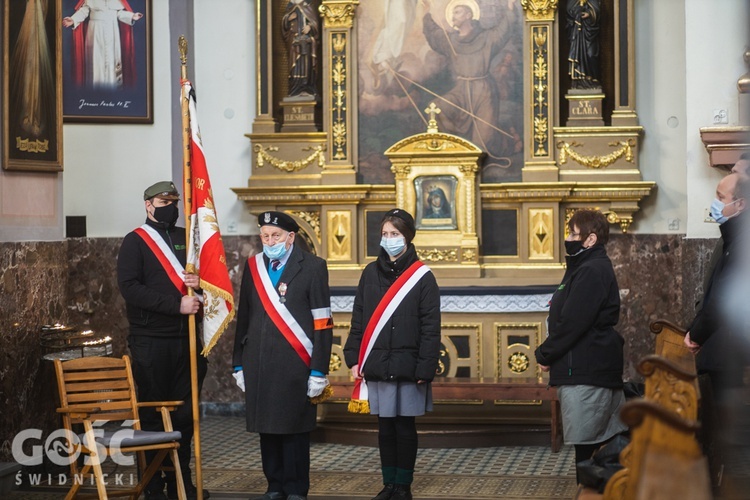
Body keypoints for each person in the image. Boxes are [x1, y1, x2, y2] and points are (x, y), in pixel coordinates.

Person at [117, 181, 209, 500]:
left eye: (174, 201)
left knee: (185, 415)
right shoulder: (135, 242)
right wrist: (175, 305)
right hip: (150, 342)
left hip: (186, 341)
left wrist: (199, 286)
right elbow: (129, 287)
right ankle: (154, 484)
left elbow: (206, 286)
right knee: (154, 414)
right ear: (148, 204)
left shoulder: (186, 239)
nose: (170, 206)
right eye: (162, 200)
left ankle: (181, 482)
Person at [232, 211, 333, 500]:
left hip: (296, 364)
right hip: (260, 363)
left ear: (290, 237)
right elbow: (245, 317)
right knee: (268, 429)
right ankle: (274, 484)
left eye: (275, 236)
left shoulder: (313, 267)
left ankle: (296, 487)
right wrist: (238, 362)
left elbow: (323, 322)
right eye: (264, 236)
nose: (269, 241)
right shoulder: (254, 267)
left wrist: (318, 370)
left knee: (294, 429)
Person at [344, 209, 441, 500]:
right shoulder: (370, 273)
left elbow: (430, 326)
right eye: (385, 234)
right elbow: (358, 318)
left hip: (409, 366)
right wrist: (353, 357)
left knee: (404, 425)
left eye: (395, 234)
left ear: (407, 237)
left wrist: (426, 368)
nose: (389, 240)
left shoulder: (423, 277)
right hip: (377, 362)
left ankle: (404, 486)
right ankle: (389, 484)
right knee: (385, 427)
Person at [534, 209, 626, 483]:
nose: (568, 238)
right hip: (584, 367)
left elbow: (573, 323)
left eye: (574, 233)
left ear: (590, 239)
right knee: (588, 447)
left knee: (588, 449)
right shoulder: (583, 267)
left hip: (587, 369)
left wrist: (545, 352)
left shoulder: (591, 270)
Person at [421, 0, 514, 169]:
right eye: (453, 13)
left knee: (483, 144)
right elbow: (435, 35)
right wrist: (427, 13)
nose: (452, 16)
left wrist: (509, 7)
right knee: (436, 108)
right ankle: (452, 152)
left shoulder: (486, 38)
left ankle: (507, 141)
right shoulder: (451, 40)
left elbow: (503, 31)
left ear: (469, 15)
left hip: (484, 91)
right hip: (461, 91)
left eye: (457, 12)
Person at [63, 0, 144, 90]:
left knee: (112, 61)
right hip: (95, 31)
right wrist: (73, 19)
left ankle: (112, 91)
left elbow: (119, 13)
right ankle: (94, 92)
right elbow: (83, 11)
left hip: (112, 30)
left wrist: (132, 16)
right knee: (96, 60)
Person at [281, 0, 320, 98]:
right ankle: (295, 88)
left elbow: (315, 22)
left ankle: (307, 87)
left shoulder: (308, 4)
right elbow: (283, 25)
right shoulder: (290, 5)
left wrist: (310, 27)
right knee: (295, 65)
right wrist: (288, 18)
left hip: (306, 42)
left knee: (307, 64)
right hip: (293, 41)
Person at [566, 0, 601, 90]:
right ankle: (578, 82)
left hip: (589, 31)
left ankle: (592, 79)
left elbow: (597, 9)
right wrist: (578, 10)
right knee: (578, 55)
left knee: (591, 54)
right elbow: (569, 10)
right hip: (577, 33)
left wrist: (589, 13)